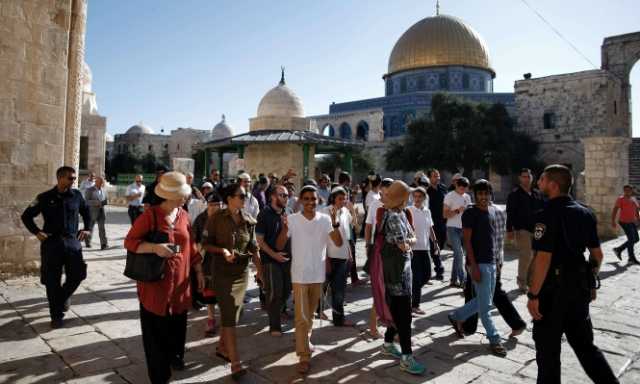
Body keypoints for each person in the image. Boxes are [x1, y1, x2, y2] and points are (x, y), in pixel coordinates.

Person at [527, 164, 619, 384]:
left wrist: (533, 295)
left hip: (552, 293)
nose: (538, 183)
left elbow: (543, 259)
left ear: (553, 185)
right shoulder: (585, 212)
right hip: (578, 290)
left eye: (542, 179)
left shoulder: (545, 214)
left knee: (548, 354)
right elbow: (597, 254)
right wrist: (590, 279)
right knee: (586, 348)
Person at [124, 171, 204, 384]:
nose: (186, 197)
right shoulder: (150, 216)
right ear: (169, 195)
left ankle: (175, 357)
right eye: (182, 193)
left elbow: (191, 246)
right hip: (154, 287)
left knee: (176, 329)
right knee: (155, 337)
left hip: (180, 287)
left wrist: (199, 272)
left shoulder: (184, 215)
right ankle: (159, 377)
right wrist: (154, 247)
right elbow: (130, 242)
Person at [277, 185, 343, 374]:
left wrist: (336, 223)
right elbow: (280, 244)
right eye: (306, 199)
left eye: (313, 199)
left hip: (317, 275)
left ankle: (305, 339)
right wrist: (284, 229)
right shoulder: (292, 219)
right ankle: (304, 355)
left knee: (310, 315)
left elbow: (338, 243)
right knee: (301, 317)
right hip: (299, 275)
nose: (310, 202)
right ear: (300, 200)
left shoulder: (324, 220)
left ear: (318, 200)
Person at [203, 183, 262, 379]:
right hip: (221, 273)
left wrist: (260, 273)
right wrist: (223, 251)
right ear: (229, 199)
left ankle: (222, 347)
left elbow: (254, 248)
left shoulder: (248, 220)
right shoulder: (216, 219)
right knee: (229, 316)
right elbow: (206, 244)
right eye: (241, 196)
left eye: (245, 196)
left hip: (241, 274)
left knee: (234, 314)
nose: (245, 199)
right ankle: (235, 363)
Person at [21, 166, 91, 329]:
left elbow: (86, 211)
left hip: (72, 242)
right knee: (52, 281)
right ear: (60, 178)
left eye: (74, 178)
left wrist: (87, 228)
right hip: (52, 244)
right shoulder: (44, 197)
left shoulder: (77, 196)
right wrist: (37, 232)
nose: (74, 181)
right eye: (71, 178)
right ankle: (56, 316)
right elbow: (26, 216)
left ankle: (61, 298)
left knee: (78, 274)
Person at [448, 179, 507, 357]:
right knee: (485, 307)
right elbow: (467, 240)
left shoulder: (490, 211)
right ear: (475, 195)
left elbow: (492, 239)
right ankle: (495, 339)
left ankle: (457, 316)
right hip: (478, 263)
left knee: (485, 301)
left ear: (490, 194)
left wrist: (497, 261)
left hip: (491, 262)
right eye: (480, 193)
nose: (483, 197)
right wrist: (473, 266)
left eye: (486, 193)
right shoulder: (470, 213)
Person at [372, 180, 426, 375]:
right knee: (403, 316)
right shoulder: (394, 217)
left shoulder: (400, 213)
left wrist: (408, 240)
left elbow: (411, 238)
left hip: (401, 271)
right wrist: (408, 241)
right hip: (396, 274)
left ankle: (387, 344)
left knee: (398, 312)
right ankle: (406, 357)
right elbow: (406, 243)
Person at [256, 185, 292, 337]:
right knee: (275, 293)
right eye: (282, 195)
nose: (285, 197)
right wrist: (274, 255)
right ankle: (274, 326)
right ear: (272, 197)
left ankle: (270, 306)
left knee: (286, 291)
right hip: (270, 259)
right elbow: (260, 241)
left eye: (286, 195)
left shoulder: (286, 212)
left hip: (286, 259)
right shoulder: (264, 214)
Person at [318, 187, 355, 326]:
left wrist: (349, 253)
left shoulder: (345, 212)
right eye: (340, 198)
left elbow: (347, 235)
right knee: (322, 286)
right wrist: (326, 258)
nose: (343, 201)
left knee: (339, 290)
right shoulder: (324, 212)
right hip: (329, 257)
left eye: (345, 198)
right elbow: (321, 238)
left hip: (343, 257)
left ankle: (339, 319)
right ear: (333, 198)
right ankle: (317, 310)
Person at [364, 177, 393, 338]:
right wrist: (368, 245)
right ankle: (373, 326)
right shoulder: (376, 205)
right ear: (381, 189)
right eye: (385, 189)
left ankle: (392, 328)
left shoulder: (397, 204)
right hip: (380, 250)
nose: (387, 192)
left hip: (394, 254)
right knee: (379, 289)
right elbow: (369, 226)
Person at [506, 168, 544, 292]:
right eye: (524, 176)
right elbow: (510, 213)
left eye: (528, 176)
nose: (526, 179)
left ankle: (530, 281)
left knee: (536, 256)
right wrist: (509, 230)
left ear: (532, 178)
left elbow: (544, 211)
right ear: (520, 178)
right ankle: (522, 282)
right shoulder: (514, 194)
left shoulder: (537, 193)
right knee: (526, 255)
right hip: (522, 229)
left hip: (538, 229)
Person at [192, 192, 223, 337]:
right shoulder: (200, 219)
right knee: (209, 292)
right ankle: (211, 318)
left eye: (217, 205)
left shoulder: (227, 218)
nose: (214, 208)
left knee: (224, 291)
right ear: (207, 205)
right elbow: (192, 240)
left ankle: (227, 316)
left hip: (224, 261)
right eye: (211, 205)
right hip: (207, 262)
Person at [408, 187, 438, 314]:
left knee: (427, 275)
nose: (418, 199)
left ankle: (410, 294)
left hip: (425, 247)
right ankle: (415, 305)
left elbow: (430, 228)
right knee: (417, 277)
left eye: (420, 196)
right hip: (413, 248)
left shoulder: (427, 211)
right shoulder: (409, 210)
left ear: (424, 198)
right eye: (415, 196)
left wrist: (435, 242)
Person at [443, 177, 472, 288]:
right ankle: (463, 280)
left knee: (458, 255)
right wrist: (457, 210)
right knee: (459, 254)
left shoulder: (467, 197)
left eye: (465, 189)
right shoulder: (449, 196)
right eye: (461, 188)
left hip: (465, 228)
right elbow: (444, 215)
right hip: (452, 228)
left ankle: (453, 280)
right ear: (456, 185)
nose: (463, 191)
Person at [338, 171, 360, 285]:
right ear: (347, 180)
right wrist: (355, 222)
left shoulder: (337, 189)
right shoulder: (343, 190)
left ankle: (352, 277)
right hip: (346, 226)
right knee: (350, 252)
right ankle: (352, 278)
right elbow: (349, 207)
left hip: (345, 225)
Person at [611, 184, 640, 264]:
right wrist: (613, 221)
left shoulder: (634, 199)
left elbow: (636, 210)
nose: (627, 192)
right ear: (624, 191)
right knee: (631, 239)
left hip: (632, 221)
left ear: (631, 191)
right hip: (624, 222)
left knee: (636, 239)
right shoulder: (621, 199)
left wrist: (638, 219)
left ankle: (618, 249)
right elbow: (615, 210)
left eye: (629, 190)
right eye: (625, 190)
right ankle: (631, 258)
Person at [426, 169, 446, 280]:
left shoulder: (443, 188)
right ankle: (439, 269)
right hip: (431, 222)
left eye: (438, 175)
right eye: (434, 176)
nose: (437, 178)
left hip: (443, 222)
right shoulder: (426, 191)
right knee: (435, 244)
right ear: (429, 178)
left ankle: (434, 257)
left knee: (441, 244)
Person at [84, 176, 109, 250]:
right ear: (96, 182)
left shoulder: (104, 190)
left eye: (102, 182)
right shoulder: (89, 190)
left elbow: (106, 199)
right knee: (90, 228)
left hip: (102, 211)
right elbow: (86, 201)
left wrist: (105, 202)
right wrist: (96, 203)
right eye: (100, 182)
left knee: (102, 228)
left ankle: (103, 244)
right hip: (92, 212)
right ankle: (87, 242)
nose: (102, 184)